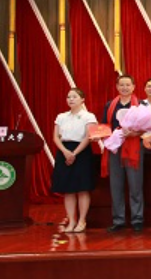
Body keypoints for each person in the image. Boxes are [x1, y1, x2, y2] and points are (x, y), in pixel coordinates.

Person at [101, 75, 145, 232]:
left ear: (133, 87)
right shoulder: (110, 105)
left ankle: (137, 219)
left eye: (128, 85)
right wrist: (101, 135)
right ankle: (118, 220)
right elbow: (105, 125)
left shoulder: (141, 104)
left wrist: (135, 133)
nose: (125, 88)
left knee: (135, 185)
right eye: (121, 85)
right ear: (117, 87)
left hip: (134, 147)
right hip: (115, 148)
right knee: (116, 185)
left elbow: (147, 126)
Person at [52, 88, 97, 233]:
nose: (71, 99)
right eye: (68, 97)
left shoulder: (88, 116)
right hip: (64, 151)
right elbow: (55, 137)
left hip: (82, 152)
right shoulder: (61, 116)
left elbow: (88, 137)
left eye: (74, 97)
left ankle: (82, 220)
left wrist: (74, 153)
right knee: (68, 189)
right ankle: (71, 221)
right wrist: (65, 152)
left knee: (82, 188)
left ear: (82, 99)